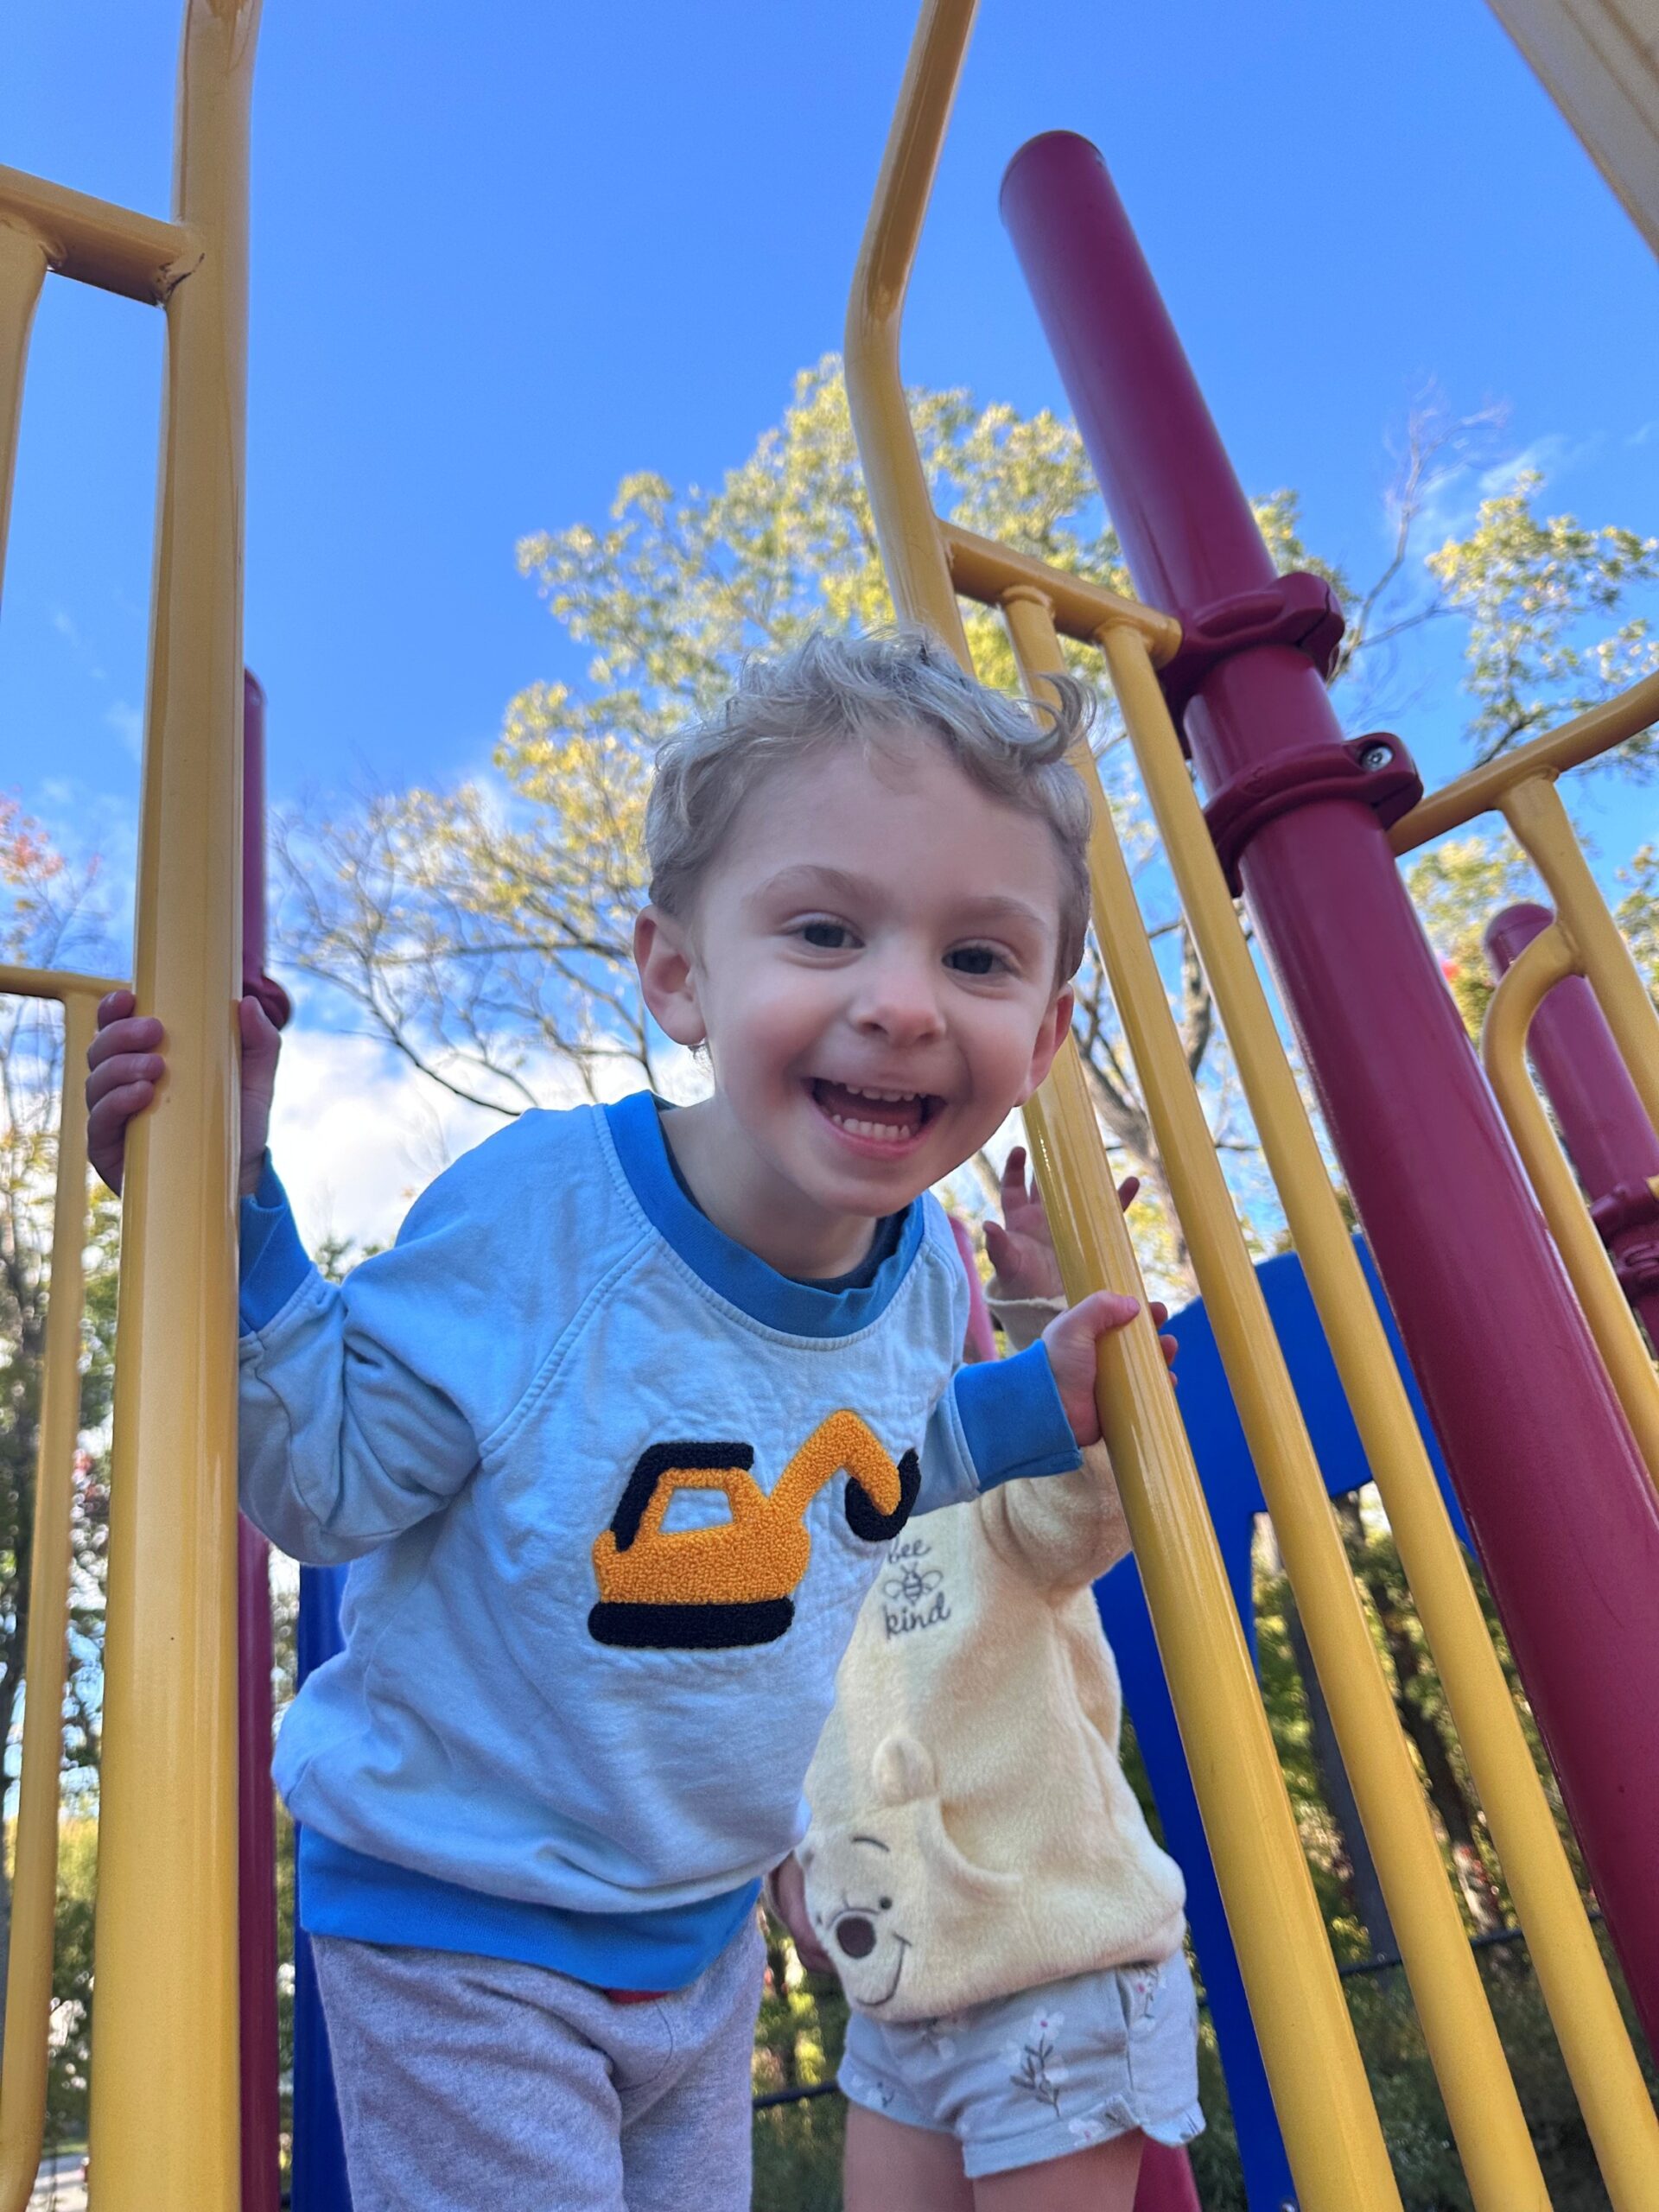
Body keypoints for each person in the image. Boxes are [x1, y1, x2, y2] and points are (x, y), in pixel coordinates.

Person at [85, 630, 1154, 2212]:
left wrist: (1017, 1409)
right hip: (467, 1919)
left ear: (1049, 1036)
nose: (904, 1003)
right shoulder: (548, 1219)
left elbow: (858, 1478)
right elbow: (333, 1482)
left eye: (980, 960)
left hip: (698, 1924)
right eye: (823, 929)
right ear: (677, 973)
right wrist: (230, 1214)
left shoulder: (926, 1276)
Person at [769, 1151, 1201, 2212]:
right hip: (901, 2002)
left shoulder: (973, 1472)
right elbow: (764, 1727)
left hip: (1051, 1969)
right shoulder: (774, 1531)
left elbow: (1088, 1506)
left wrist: (1045, 1296)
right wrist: (784, 1869)